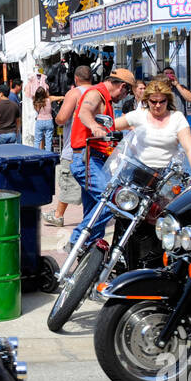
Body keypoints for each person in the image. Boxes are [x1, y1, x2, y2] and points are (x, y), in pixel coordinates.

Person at [62, 67, 136, 253]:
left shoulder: (106, 99)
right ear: (123, 87)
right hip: (87, 159)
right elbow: (84, 112)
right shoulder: (96, 93)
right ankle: (77, 241)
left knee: (94, 209)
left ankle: (89, 253)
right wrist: (94, 126)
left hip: (96, 160)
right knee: (111, 201)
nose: (124, 97)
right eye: (127, 92)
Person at [110, 78, 191, 174]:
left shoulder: (177, 117)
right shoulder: (139, 115)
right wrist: (95, 125)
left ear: (168, 100)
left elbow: (189, 148)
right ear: (147, 100)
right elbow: (111, 125)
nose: (158, 105)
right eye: (153, 101)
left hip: (168, 175)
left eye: (162, 101)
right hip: (141, 173)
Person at [45, 65, 92, 227]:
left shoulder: (74, 93)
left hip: (74, 147)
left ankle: (58, 215)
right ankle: (90, 217)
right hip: (94, 147)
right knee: (89, 185)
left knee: (68, 181)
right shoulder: (98, 92)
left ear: (76, 79)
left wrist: (58, 116)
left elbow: (62, 118)